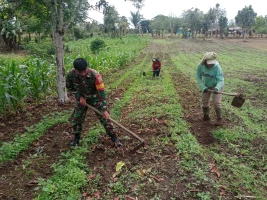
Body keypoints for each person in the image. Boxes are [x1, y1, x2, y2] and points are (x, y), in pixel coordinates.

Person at [66, 58, 123, 146]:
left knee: (105, 118)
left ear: (87, 67)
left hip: (95, 97)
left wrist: (103, 109)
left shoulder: (95, 75)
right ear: (76, 70)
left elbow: (102, 92)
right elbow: (70, 88)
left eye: (84, 71)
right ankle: (76, 139)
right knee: (77, 118)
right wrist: (79, 97)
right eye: (80, 72)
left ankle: (114, 138)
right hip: (82, 99)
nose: (83, 74)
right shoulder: (71, 75)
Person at [196, 52, 224, 126]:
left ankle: (219, 119)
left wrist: (217, 88)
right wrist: (203, 87)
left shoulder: (217, 67)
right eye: (209, 63)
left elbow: (221, 80)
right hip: (206, 85)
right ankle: (206, 116)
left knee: (216, 102)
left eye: (212, 63)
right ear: (205, 61)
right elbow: (198, 77)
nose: (211, 64)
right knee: (204, 100)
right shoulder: (200, 66)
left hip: (217, 85)